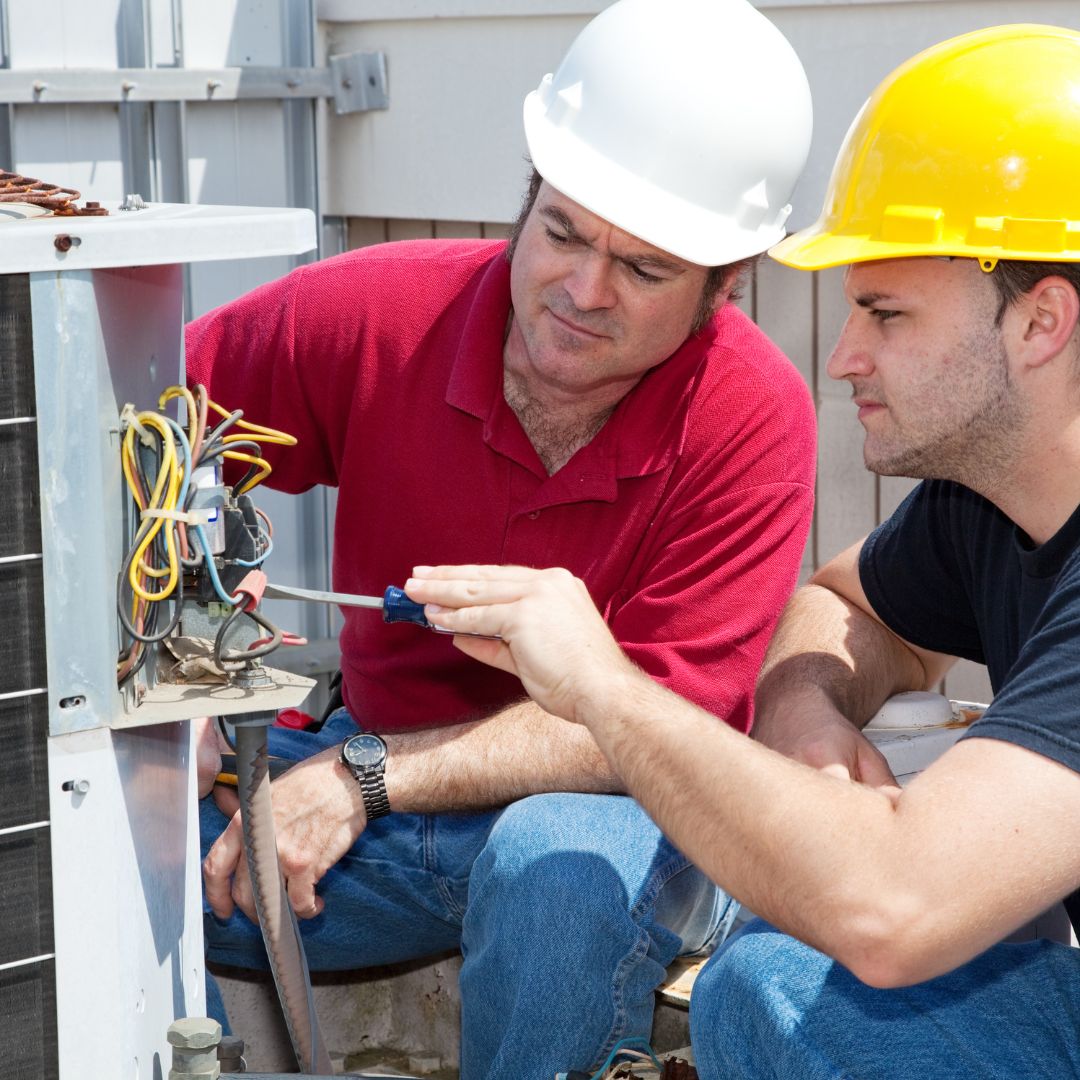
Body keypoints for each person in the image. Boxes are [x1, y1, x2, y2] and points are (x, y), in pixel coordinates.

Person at [404, 23, 1080, 1079]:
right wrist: (805, 713)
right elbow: (848, 602)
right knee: (769, 989)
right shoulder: (989, 508)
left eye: (885, 313)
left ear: (1042, 323)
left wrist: (601, 686)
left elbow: (895, 908)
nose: (843, 355)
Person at [188, 0, 815, 1074]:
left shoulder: (754, 417)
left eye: (645, 270)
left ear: (729, 282)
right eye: (562, 231)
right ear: (526, 196)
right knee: (106, 855)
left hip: (602, 825)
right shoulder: (376, 316)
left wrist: (360, 777)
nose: (582, 291)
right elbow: (126, 439)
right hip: (357, 821)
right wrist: (174, 657)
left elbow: (658, 726)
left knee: (554, 867)